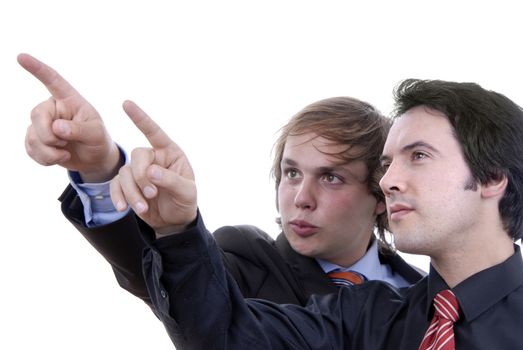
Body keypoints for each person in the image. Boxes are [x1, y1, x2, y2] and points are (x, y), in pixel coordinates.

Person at [110, 78, 522, 349]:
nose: (390, 180)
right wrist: (176, 228)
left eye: (418, 156)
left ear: (490, 179)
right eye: (388, 163)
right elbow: (224, 336)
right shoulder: (364, 315)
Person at [19, 53, 424, 310]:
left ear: (380, 194)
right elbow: (163, 273)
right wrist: (102, 167)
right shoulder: (246, 259)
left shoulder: (429, 292)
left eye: (331, 177)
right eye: (291, 173)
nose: (301, 197)